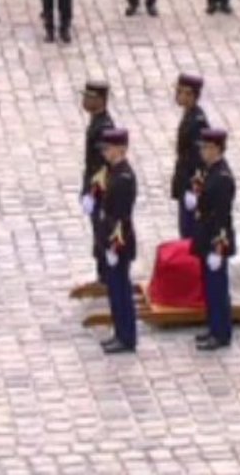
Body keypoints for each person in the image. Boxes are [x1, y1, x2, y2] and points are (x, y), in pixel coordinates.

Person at [192, 127, 236, 351]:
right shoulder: (211, 171)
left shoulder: (222, 177)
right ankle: (213, 328)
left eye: (207, 147)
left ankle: (221, 333)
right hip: (206, 236)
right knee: (211, 287)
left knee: (218, 288)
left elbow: (221, 217)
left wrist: (218, 249)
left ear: (217, 149)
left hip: (215, 240)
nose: (203, 151)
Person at [95, 128, 138, 355]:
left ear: (120, 148)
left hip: (118, 242)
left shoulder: (122, 178)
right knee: (115, 289)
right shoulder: (115, 172)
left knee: (121, 290)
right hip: (113, 240)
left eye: (109, 148)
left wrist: (113, 246)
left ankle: (126, 336)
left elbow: (120, 217)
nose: (105, 152)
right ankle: (120, 333)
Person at [79, 81, 115, 286]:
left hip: (100, 190)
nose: (85, 100)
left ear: (100, 100)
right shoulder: (96, 121)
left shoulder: (103, 127)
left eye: (89, 97)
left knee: (102, 231)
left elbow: (103, 166)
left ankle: (106, 275)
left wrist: (93, 192)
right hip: (93, 183)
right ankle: (102, 273)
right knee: (98, 231)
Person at [172, 74, 209, 240]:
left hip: (190, 186)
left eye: (180, 91)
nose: (177, 95)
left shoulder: (197, 121)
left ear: (190, 94)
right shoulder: (189, 116)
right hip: (184, 182)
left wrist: (193, 189)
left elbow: (199, 160)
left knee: (189, 232)